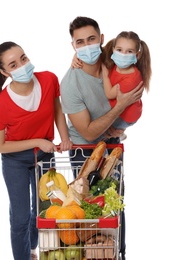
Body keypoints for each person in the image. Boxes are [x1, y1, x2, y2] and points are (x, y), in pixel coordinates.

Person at [60, 16, 144, 260]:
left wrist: (122, 125)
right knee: (87, 209)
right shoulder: (71, 83)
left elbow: (132, 101)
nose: (87, 47)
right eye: (80, 43)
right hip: (84, 150)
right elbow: (87, 132)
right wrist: (121, 106)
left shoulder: (114, 60)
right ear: (73, 46)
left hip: (112, 145)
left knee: (114, 204)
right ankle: (90, 254)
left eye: (91, 39)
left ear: (102, 40)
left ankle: (119, 253)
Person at [0, 41, 73, 260]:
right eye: (13, 64)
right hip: (15, 161)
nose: (22, 66)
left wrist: (64, 137)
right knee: (20, 218)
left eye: (23, 58)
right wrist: (37, 141)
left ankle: (35, 246)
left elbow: (56, 108)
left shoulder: (48, 79)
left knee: (44, 209)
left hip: (45, 156)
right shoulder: (2, 104)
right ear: (5, 72)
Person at [72, 31, 152, 140]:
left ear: (137, 55)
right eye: (119, 50)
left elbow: (109, 94)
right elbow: (90, 52)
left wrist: (105, 75)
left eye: (129, 51)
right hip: (119, 107)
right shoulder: (114, 61)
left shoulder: (131, 80)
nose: (123, 54)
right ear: (113, 49)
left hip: (126, 115)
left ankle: (119, 133)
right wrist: (76, 55)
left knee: (104, 132)